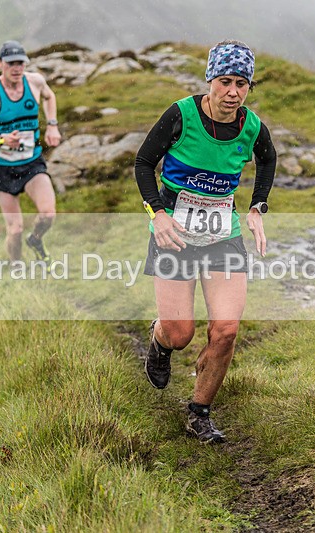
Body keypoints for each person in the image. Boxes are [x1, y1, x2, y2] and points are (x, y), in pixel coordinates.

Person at [134, 40, 277, 444]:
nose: (233, 92)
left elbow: (267, 159)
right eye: (225, 81)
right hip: (174, 232)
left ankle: (199, 412)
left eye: (242, 84)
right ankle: (160, 340)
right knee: (181, 333)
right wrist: (156, 214)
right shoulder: (181, 115)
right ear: (210, 80)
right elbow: (144, 163)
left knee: (226, 329)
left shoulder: (252, 127)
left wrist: (256, 207)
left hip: (222, 235)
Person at [0, 40, 61, 264]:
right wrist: (1, 140)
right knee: (15, 229)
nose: (17, 68)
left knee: (48, 214)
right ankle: (17, 267)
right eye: (11, 63)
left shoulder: (36, 82)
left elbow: (50, 97)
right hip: (2, 168)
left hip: (32, 162)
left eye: (21, 62)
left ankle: (36, 239)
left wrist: (52, 124)